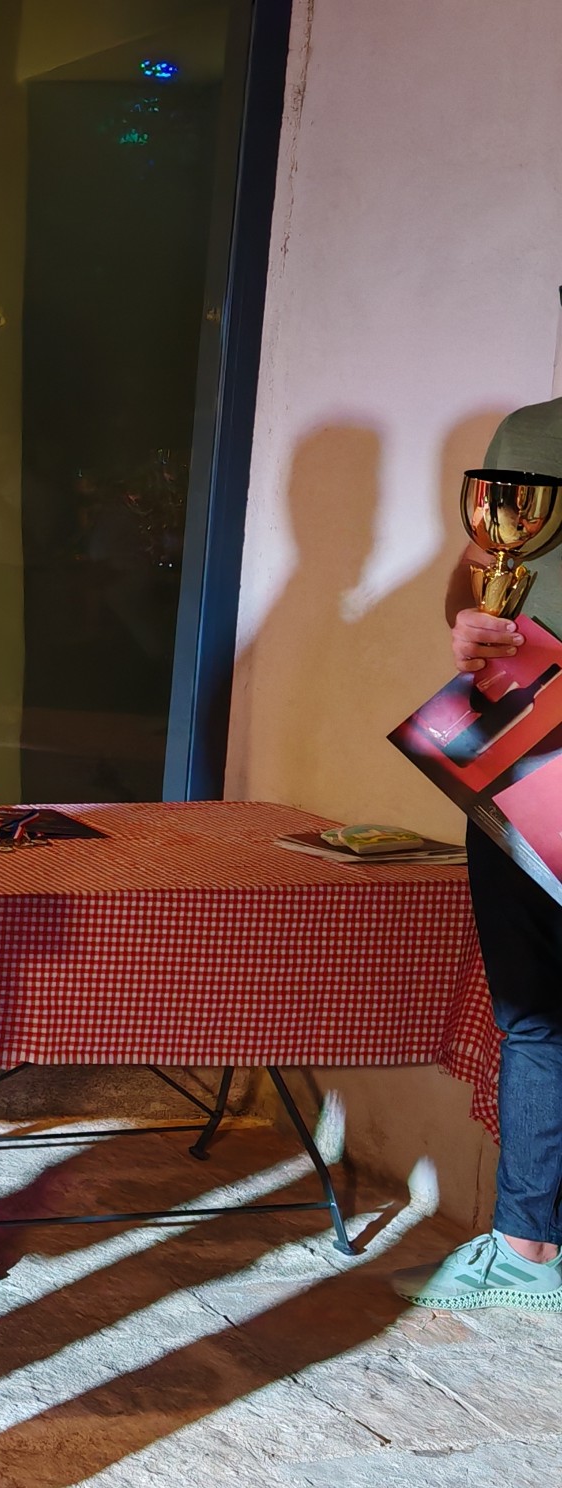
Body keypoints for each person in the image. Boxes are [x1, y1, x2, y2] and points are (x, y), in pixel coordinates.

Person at [399, 397, 562, 1312]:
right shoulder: (530, 434)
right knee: (532, 1013)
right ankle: (527, 1248)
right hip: (524, 750)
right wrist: (471, 621)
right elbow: (475, 573)